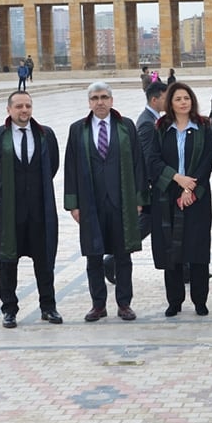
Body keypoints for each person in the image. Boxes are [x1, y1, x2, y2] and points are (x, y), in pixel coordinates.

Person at [64, 82, 147, 322]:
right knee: (93, 255)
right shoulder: (77, 129)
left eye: (104, 97)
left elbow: (138, 164)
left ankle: (124, 303)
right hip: (91, 203)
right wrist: (73, 204)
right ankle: (98, 305)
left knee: (123, 255)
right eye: (95, 98)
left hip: (121, 201)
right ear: (89, 102)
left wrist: (139, 200)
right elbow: (70, 166)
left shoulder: (126, 126)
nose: (100, 102)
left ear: (112, 100)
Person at [0, 90, 62, 328]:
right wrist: (3, 193)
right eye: (18, 106)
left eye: (27, 106)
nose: (24, 110)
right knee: (8, 261)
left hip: (39, 210)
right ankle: (9, 309)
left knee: (44, 260)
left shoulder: (46, 135)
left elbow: (52, 166)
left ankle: (48, 306)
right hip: (10, 212)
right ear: (9, 110)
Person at [148, 82, 212, 317]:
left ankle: (200, 300)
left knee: (197, 248)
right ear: (170, 103)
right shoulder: (161, 127)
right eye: (178, 99)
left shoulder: (203, 126)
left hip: (197, 194)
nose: (183, 102)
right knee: (171, 250)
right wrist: (177, 179)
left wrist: (191, 188)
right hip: (168, 194)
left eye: (186, 98)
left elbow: (207, 160)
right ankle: (174, 301)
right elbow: (153, 161)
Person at [102, 81, 166, 284]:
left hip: (153, 187)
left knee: (160, 228)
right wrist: (149, 185)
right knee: (145, 227)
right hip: (151, 187)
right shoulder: (147, 122)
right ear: (155, 99)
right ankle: (112, 258)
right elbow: (146, 157)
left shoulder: (152, 118)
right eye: (166, 97)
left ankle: (185, 268)